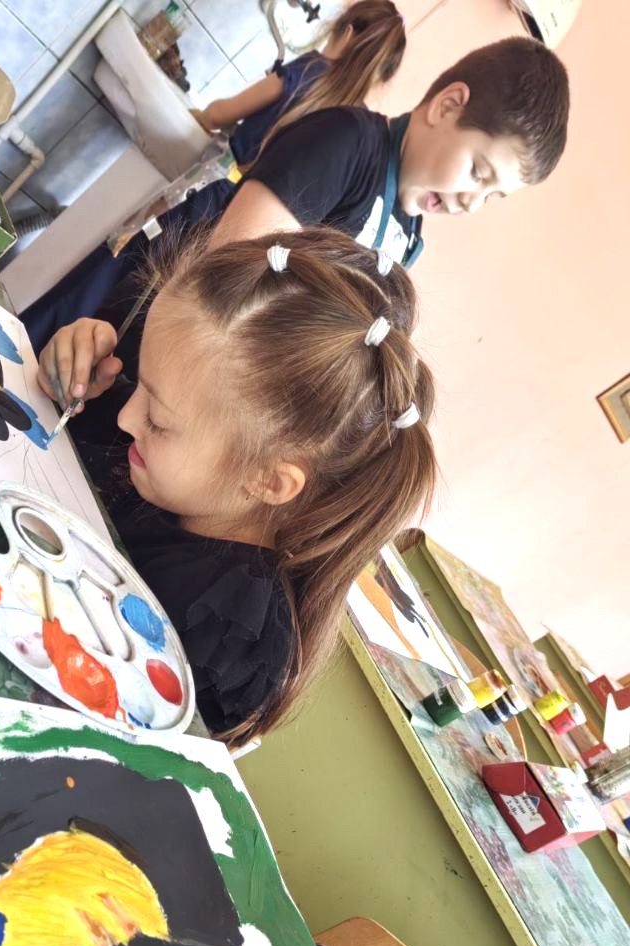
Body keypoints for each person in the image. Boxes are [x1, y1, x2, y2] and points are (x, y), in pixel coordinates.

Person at [36, 228, 437, 746]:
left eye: (157, 418)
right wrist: (74, 376)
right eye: (140, 383)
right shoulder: (180, 460)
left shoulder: (222, 642)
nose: (128, 417)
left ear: (268, 479)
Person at [22, 36, 570, 370]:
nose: (472, 202)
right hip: (158, 332)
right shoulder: (348, 143)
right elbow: (226, 271)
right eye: (478, 172)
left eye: (492, 196)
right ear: (448, 106)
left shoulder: (408, 239)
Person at [194, 0, 406, 168]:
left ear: (346, 34)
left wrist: (198, 117)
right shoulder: (356, 124)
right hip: (253, 203)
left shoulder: (310, 68)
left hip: (219, 176)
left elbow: (218, 116)